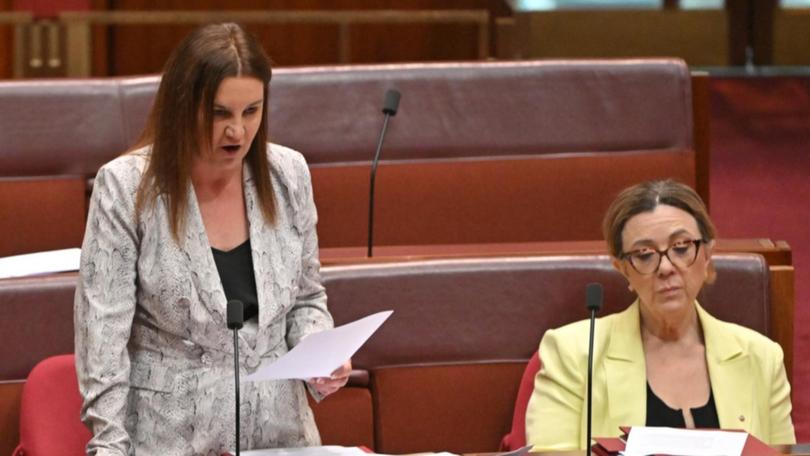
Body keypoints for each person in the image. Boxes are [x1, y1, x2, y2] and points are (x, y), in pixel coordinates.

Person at [74, 23, 350, 455]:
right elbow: (102, 343)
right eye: (220, 114)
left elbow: (306, 300)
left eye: (251, 112)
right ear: (183, 106)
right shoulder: (125, 188)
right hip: (168, 438)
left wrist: (321, 351)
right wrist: (109, 446)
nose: (237, 133)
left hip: (279, 436)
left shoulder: (288, 174)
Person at [525, 180, 795, 450]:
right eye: (644, 255)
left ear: (707, 255)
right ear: (623, 269)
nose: (666, 267)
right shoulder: (572, 353)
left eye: (681, 247)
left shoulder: (761, 357)